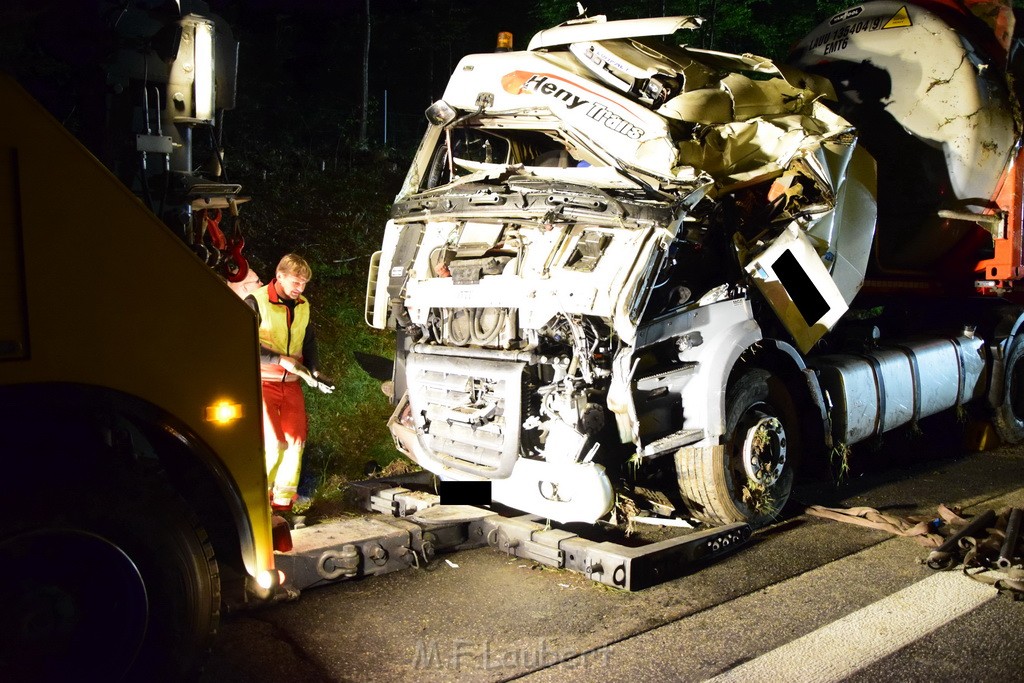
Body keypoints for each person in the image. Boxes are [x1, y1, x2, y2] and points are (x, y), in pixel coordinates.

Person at [244, 253, 333, 511]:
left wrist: (315, 371)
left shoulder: (303, 304)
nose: (300, 288)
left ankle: (283, 507)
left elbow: (308, 340)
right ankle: (257, 505)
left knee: (295, 444)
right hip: (261, 383)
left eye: (304, 283)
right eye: (296, 282)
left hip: (292, 382)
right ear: (279, 276)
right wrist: (276, 358)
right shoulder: (256, 301)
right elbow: (242, 341)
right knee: (274, 444)